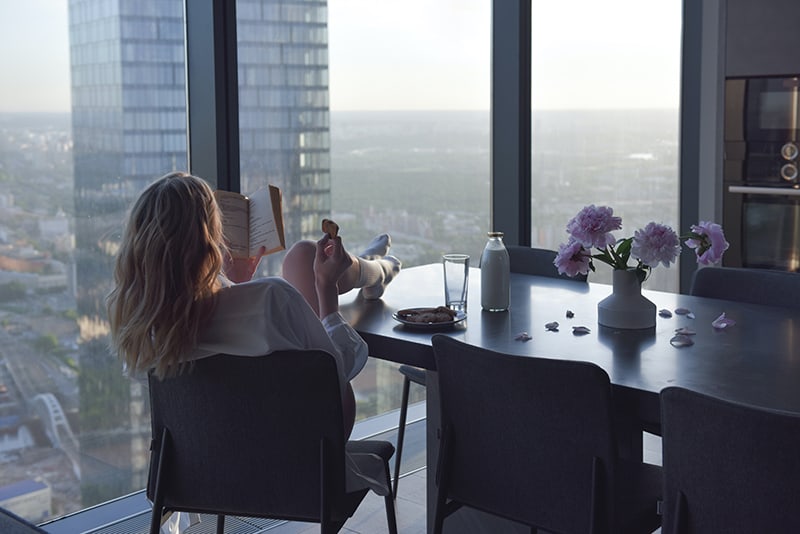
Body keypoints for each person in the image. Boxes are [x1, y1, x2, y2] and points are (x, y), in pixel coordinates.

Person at [106, 172, 400, 509]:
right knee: (304, 259)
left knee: (301, 263)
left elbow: (216, 382)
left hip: (200, 472)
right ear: (209, 239)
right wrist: (326, 292)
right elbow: (339, 368)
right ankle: (372, 271)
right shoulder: (272, 299)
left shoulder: (144, 328)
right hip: (301, 456)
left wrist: (235, 285)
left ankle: (372, 270)